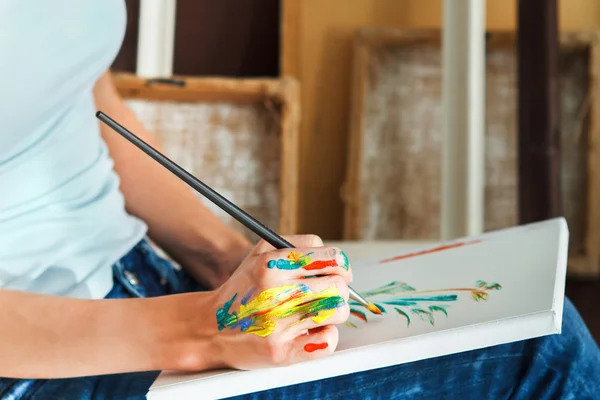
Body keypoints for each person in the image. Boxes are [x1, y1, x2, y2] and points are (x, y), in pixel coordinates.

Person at [2, 1, 600, 399]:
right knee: (541, 357)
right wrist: (205, 329)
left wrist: (222, 258)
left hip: (147, 275)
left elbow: (87, 101)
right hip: (45, 360)